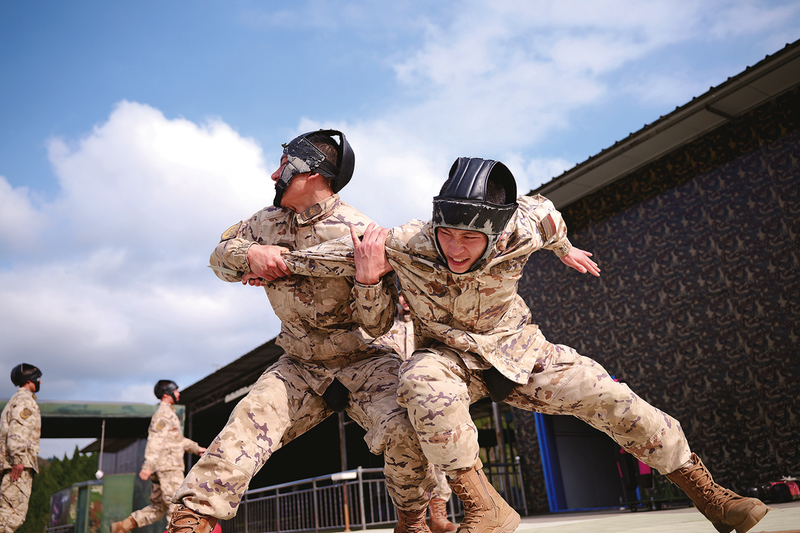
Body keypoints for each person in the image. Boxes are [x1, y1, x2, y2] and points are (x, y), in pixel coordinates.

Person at [275, 157, 770, 533]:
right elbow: (313, 261)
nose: (455, 248)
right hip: (448, 357)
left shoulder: (524, 225)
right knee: (419, 379)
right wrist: (269, 261)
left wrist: (566, 248)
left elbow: (551, 218)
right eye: (447, 233)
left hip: (519, 350)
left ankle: (711, 497)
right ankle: (484, 507)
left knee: (610, 396)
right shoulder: (407, 242)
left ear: (496, 231)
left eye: (470, 238)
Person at [167, 130, 435, 533]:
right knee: (246, 423)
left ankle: (412, 518)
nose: (274, 175)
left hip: (366, 361)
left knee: (404, 427)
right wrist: (251, 254)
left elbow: (378, 324)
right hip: (300, 363)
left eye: (284, 166)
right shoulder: (264, 223)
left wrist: (367, 280)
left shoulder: (361, 232)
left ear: (312, 174)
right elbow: (218, 258)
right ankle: (192, 519)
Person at [375, 292, 457, 533]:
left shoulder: (428, 324)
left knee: (437, 456)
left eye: (406, 294)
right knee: (405, 460)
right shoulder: (384, 329)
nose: (404, 300)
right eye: (399, 295)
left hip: (428, 399)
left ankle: (438, 516)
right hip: (397, 401)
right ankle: (411, 519)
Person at [110, 380, 206, 533]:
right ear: (166, 394)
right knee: (177, 505)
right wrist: (148, 465)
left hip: (163, 467)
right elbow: (155, 439)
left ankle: (123, 526)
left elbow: (178, 440)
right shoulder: (163, 414)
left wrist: (197, 449)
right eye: (176, 390)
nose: (178, 394)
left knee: (158, 507)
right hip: (168, 468)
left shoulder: (169, 413)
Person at [0, 363, 42, 533]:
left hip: (12, 464)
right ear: (29, 380)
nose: (40, 382)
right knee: (10, 516)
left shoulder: (16, 400)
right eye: (37, 379)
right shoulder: (25, 401)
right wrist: (18, 460)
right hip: (17, 467)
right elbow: (18, 430)